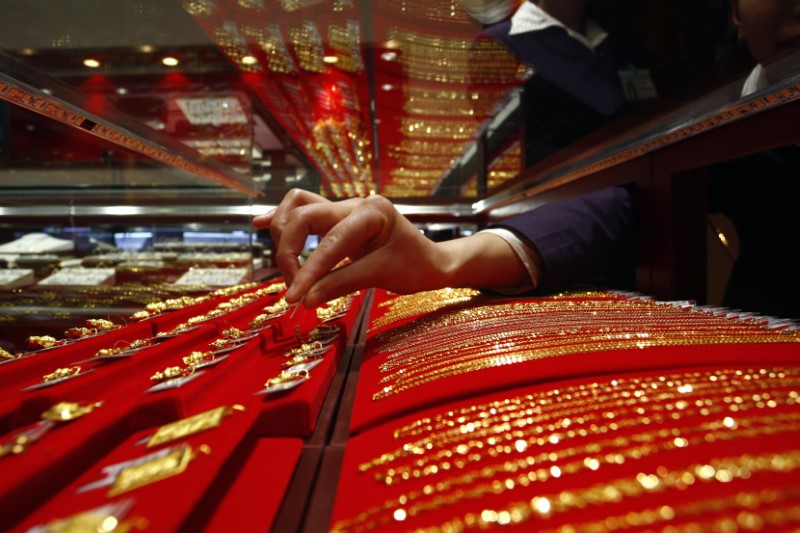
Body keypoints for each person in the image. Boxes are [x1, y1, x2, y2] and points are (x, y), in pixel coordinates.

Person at [254, 0, 798, 316]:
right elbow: (628, 197)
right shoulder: (504, 42)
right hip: (570, 234)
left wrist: (452, 257)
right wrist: (454, 255)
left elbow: (653, 181)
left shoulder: (640, 53)